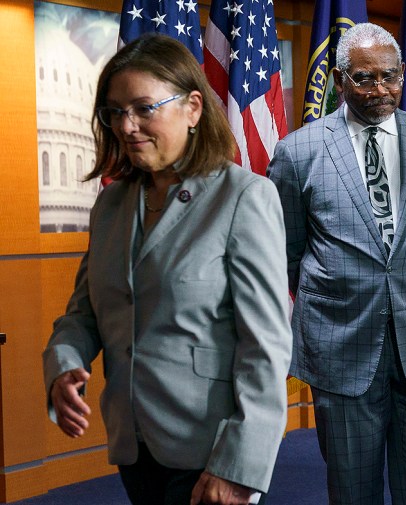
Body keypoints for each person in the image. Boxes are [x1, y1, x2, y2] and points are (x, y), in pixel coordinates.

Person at [42, 34, 291, 505]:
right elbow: (84, 314)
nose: (127, 126)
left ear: (193, 107)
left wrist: (239, 465)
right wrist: (64, 365)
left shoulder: (244, 198)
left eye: (143, 108)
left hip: (211, 449)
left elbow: (267, 346)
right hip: (134, 444)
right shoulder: (111, 205)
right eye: (114, 112)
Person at [267, 22, 406, 505]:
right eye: (365, 78)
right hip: (342, 345)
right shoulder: (298, 151)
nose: (381, 90)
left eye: (390, 77)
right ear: (338, 80)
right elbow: (289, 252)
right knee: (353, 492)